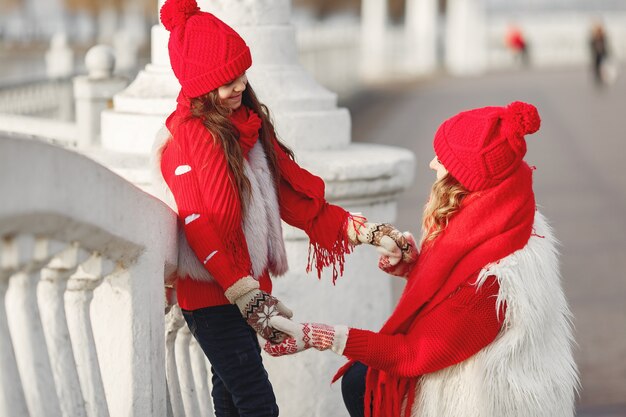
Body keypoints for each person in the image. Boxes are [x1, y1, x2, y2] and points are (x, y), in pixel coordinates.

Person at [153, 0, 414, 416]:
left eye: (241, 74)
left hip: (243, 292)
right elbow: (202, 226)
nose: (238, 86)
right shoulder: (191, 140)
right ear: (200, 88)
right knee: (256, 402)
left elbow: (299, 202)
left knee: (232, 398)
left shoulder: (249, 131)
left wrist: (370, 233)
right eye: (225, 82)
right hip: (211, 298)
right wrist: (248, 298)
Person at [265, 102, 580, 417]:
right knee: (361, 379)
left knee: (361, 383)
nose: (432, 163)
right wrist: (414, 267)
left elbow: (415, 353)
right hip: (464, 355)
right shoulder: (502, 217)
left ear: (467, 175)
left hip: (487, 398)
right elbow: (454, 290)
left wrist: (320, 336)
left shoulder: (494, 282)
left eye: (443, 159)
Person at [589, 21, 610, 86]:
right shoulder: (594, 37)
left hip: (602, 54)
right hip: (596, 55)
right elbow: (591, 45)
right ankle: (598, 79)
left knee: (602, 66)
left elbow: (605, 45)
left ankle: (602, 78)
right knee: (596, 67)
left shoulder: (603, 36)